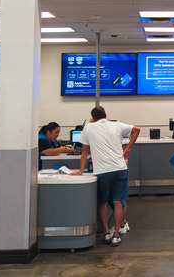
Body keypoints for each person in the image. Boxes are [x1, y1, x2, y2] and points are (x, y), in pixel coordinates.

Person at [72, 106, 140, 247]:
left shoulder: (88, 127)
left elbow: (84, 150)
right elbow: (136, 129)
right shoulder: (117, 125)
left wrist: (81, 171)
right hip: (120, 168)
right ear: (105, 115)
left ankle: (106, 233)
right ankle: (117, 235)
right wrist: (128, 148)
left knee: (102, 202)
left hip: (102, 171)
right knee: (117, 202)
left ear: (93, 117)